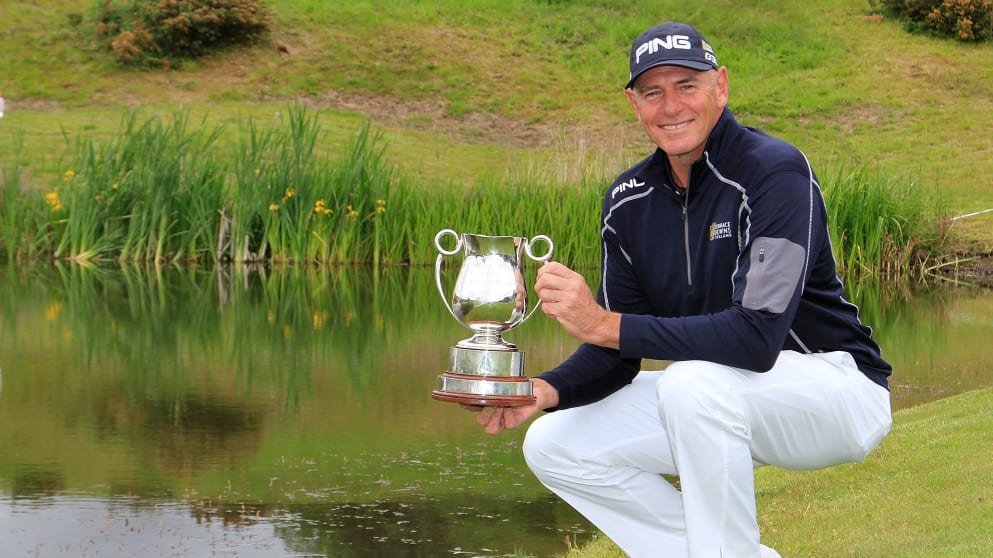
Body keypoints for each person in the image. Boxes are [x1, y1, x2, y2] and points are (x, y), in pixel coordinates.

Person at [468, 21, 893, 558]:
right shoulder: (628, 202)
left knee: (690, 383)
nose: (670, 106)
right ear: (634, 103)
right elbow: (616, 353)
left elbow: (757, 338)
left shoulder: (774, 173)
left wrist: (603, 322)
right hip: (719, 399)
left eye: (686, 86)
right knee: (555, 444)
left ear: (721, 86)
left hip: (837, 388)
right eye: (652, 92)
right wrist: (543, 391)